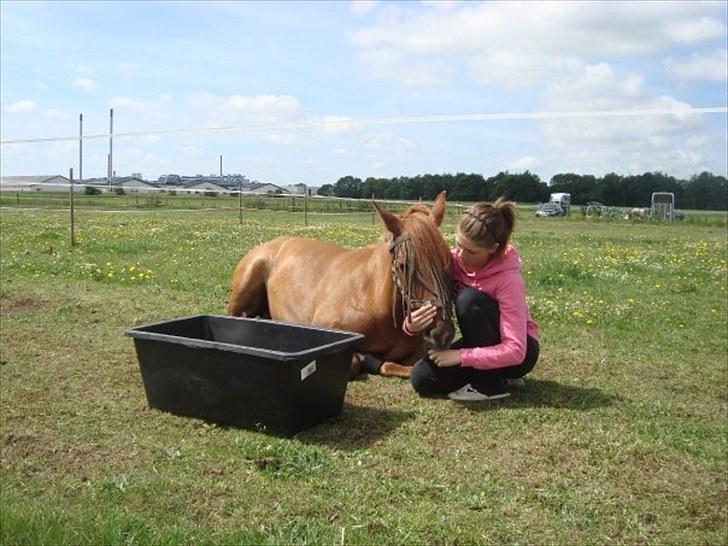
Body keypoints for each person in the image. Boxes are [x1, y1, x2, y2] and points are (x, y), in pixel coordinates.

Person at [405, 198, 540, 401]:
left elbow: (515, 350)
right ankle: (491, 374)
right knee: (421, 379)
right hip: (480, 343)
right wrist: (411, 325)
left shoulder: (509, 280)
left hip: (519, 354)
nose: (460, 254)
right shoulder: (454, 261)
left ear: (493, 248)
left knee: (469, 300)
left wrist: (461, 356)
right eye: (458, 244)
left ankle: (490, 385)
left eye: (470, 251)